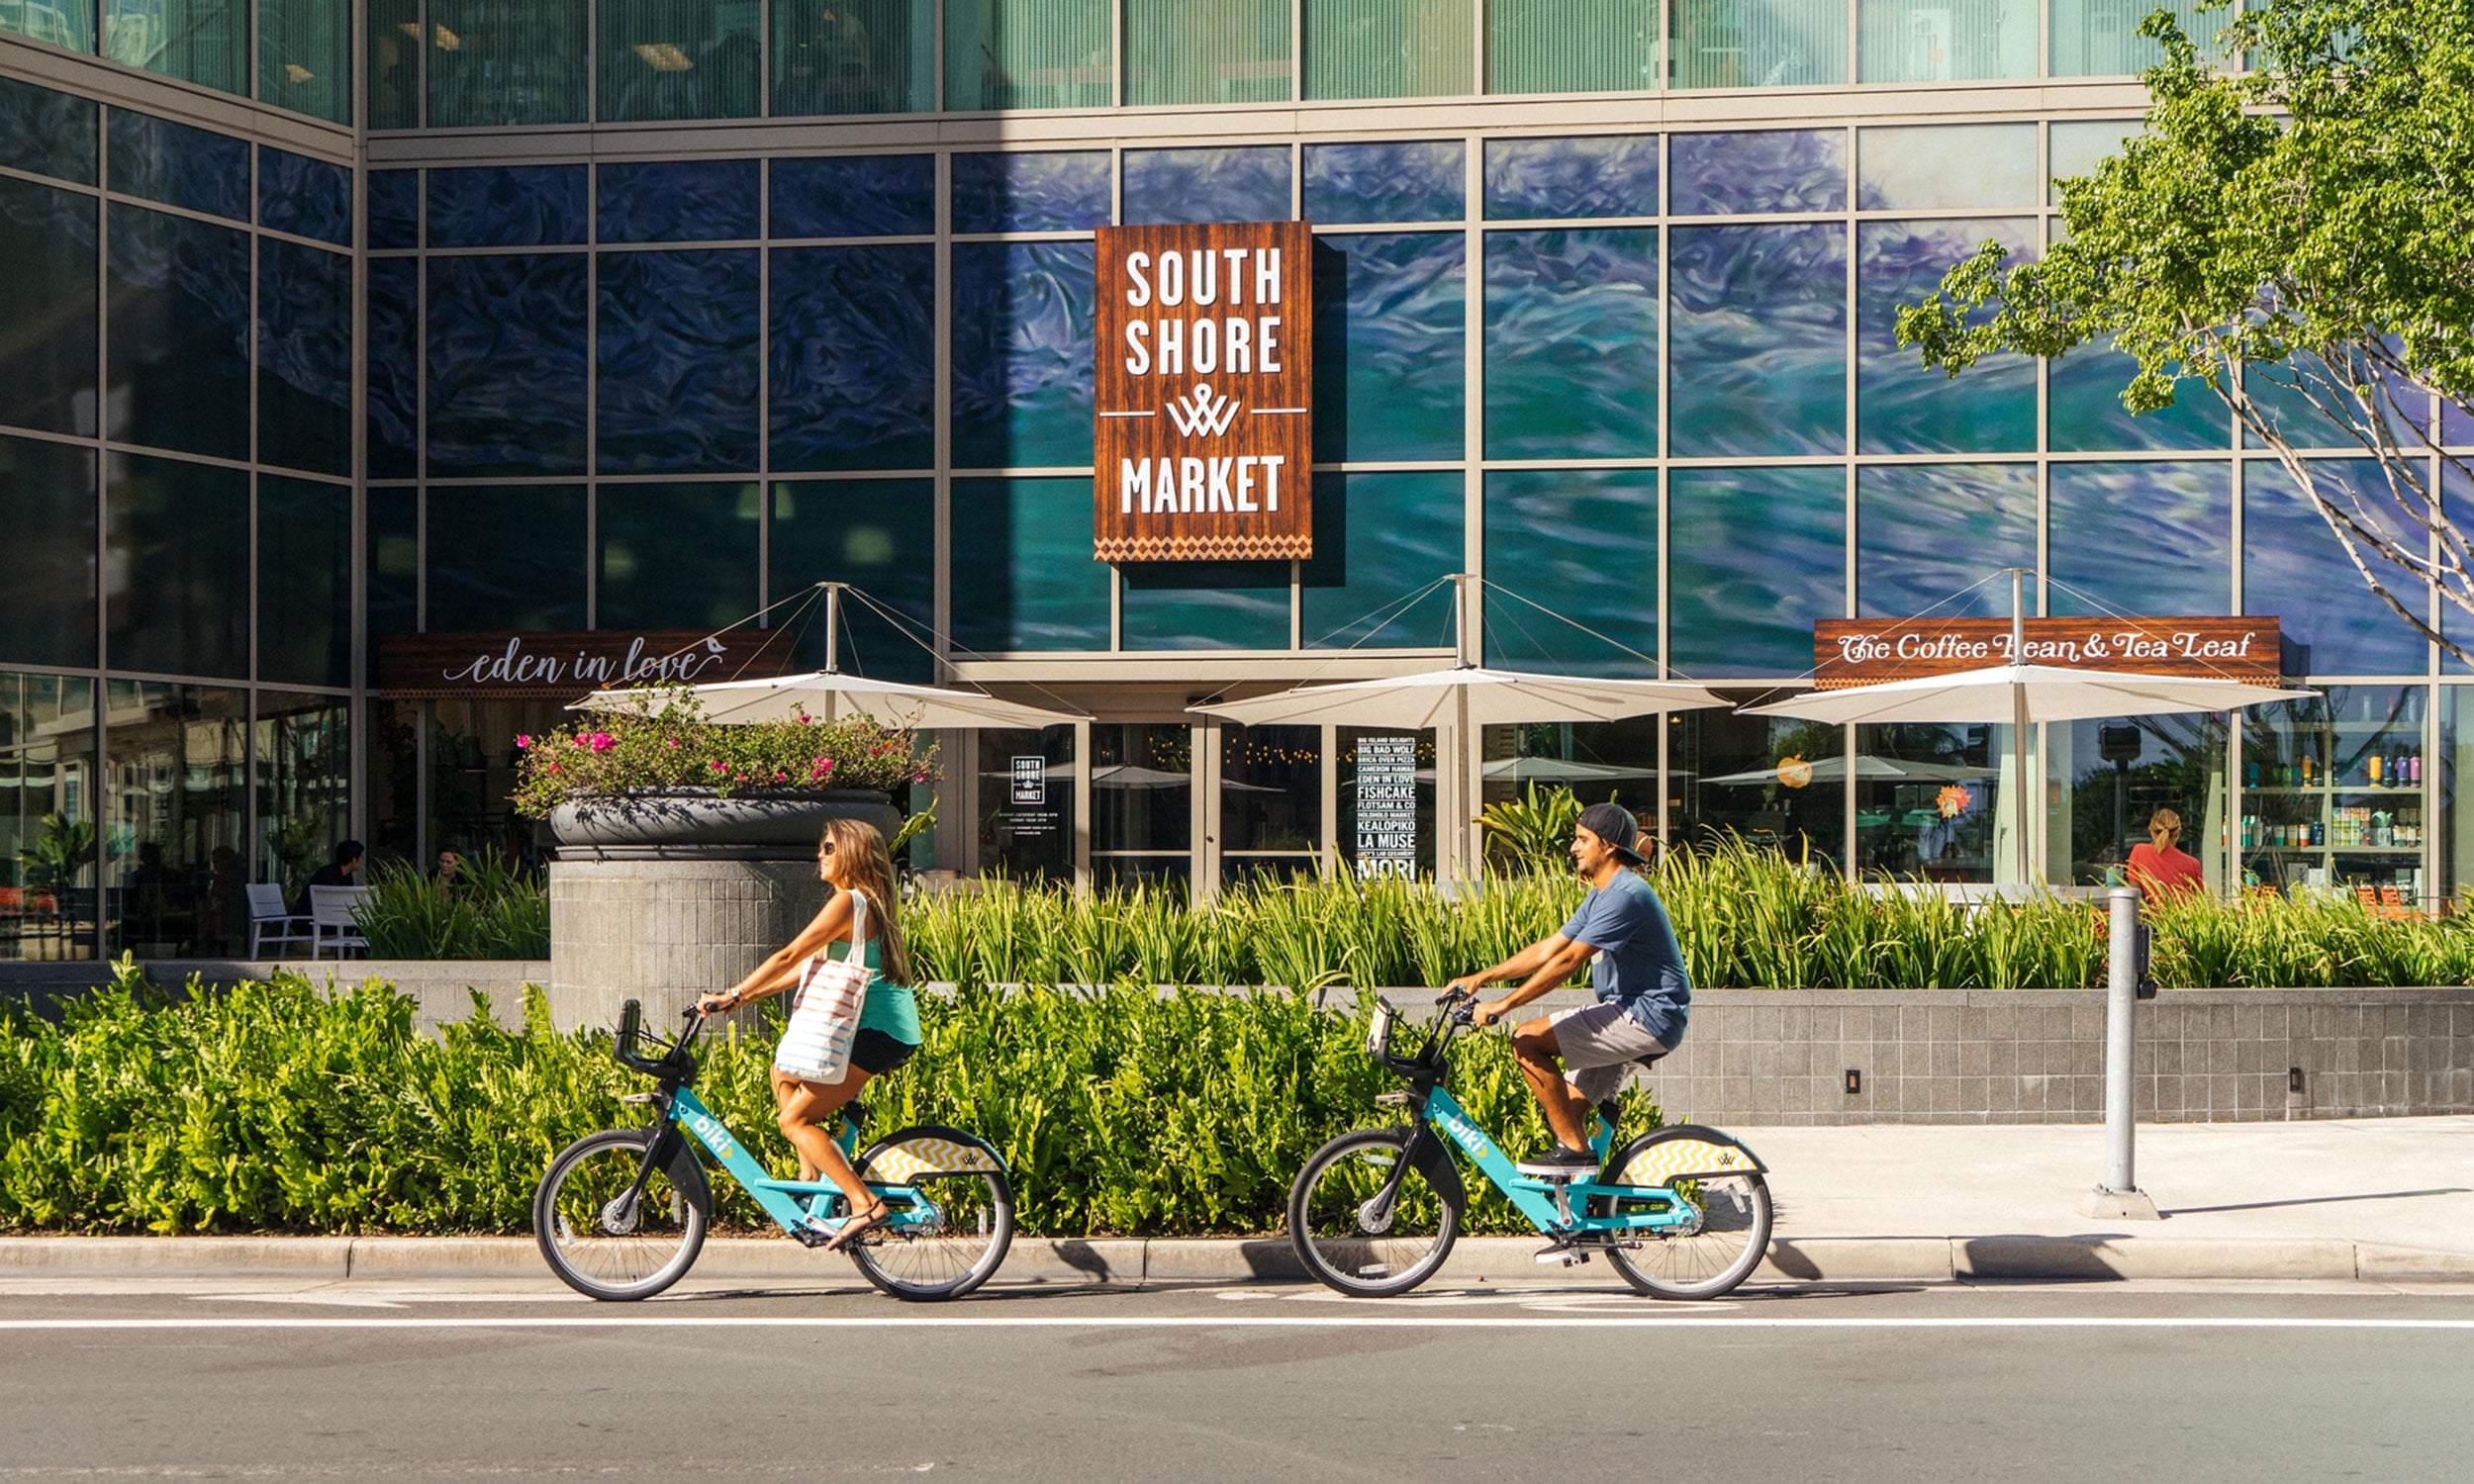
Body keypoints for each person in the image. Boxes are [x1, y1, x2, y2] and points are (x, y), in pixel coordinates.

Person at [698, 818, 920, 1252]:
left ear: (852, 853)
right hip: (876, 1028)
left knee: (793, 1119)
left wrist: (733, 991)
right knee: (782, 1070)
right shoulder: (862, 903)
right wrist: (740, 1001)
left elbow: (790, 953)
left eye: (829, 848)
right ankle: (813, 1180)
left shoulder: (849, 902)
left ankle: (864, 1204)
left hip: (877, 1032)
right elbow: (806, 968)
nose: (820, 855)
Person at [1442, 802, 1691, 1178]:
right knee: (1569, 1113)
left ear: (1607, 846)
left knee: (1526, 1040)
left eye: (1582, 839)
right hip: (1634, 1012)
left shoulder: (1626, 894)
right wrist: (1480, 978)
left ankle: (1576, 1153)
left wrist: (1505, 1005)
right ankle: (1584, 1209)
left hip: (1644, 1014)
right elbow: (1550, 948)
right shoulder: (1602, 893)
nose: (1574, 848)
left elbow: (1568, 961)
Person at [2126, 807, 2207, 900]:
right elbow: (2199, 901)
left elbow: (2136, 897)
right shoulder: (2193, 864)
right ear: (2177, 834)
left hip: (2151, 914)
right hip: (2182, 914)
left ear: (2151, 832)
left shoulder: (2139, 852)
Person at [294, 839, 363, 916]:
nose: (361, 860)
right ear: (354, 860)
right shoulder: (325, 875)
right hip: (310, 919)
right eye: (360, 857)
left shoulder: (347, 876)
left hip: (328, 918)